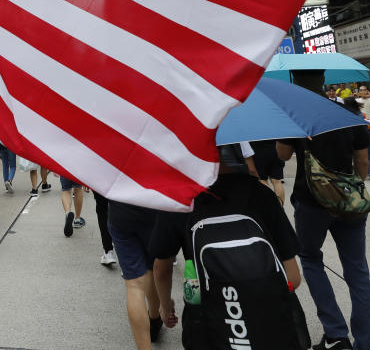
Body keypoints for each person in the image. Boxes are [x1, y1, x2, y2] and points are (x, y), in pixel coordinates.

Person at [152, 145, 303, 349]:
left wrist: (165, 304)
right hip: (271, 321)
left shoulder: (179, 199)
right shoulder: (261, 194)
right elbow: (293, 277)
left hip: (207, 326)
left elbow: (161, 269)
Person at [277, 69, 370, 350]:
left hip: (311, 202)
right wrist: (349, 189)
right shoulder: (348, 113)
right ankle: (366, 343)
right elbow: (363, 164)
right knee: (357, 271)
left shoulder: (296, 114)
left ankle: (336, 334)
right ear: (323, 82)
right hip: (350, 202)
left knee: (310, 259)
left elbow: (281, 156)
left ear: (296, 83)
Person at [107, 198, 162, 349]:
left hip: (121, 211)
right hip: (154, 208)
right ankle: (155, 318)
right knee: (152, 269)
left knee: (134, 285)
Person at [251, 139, 286, 204]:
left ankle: (272, 205)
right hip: (276, 149)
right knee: (277, 181)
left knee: (261, 180)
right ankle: (279, 208)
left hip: (258, 150)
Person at [92, 190, 117, 266]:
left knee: (102, 209)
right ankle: (126, 257)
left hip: (100, 180)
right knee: (122, 208)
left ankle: (108, 251)